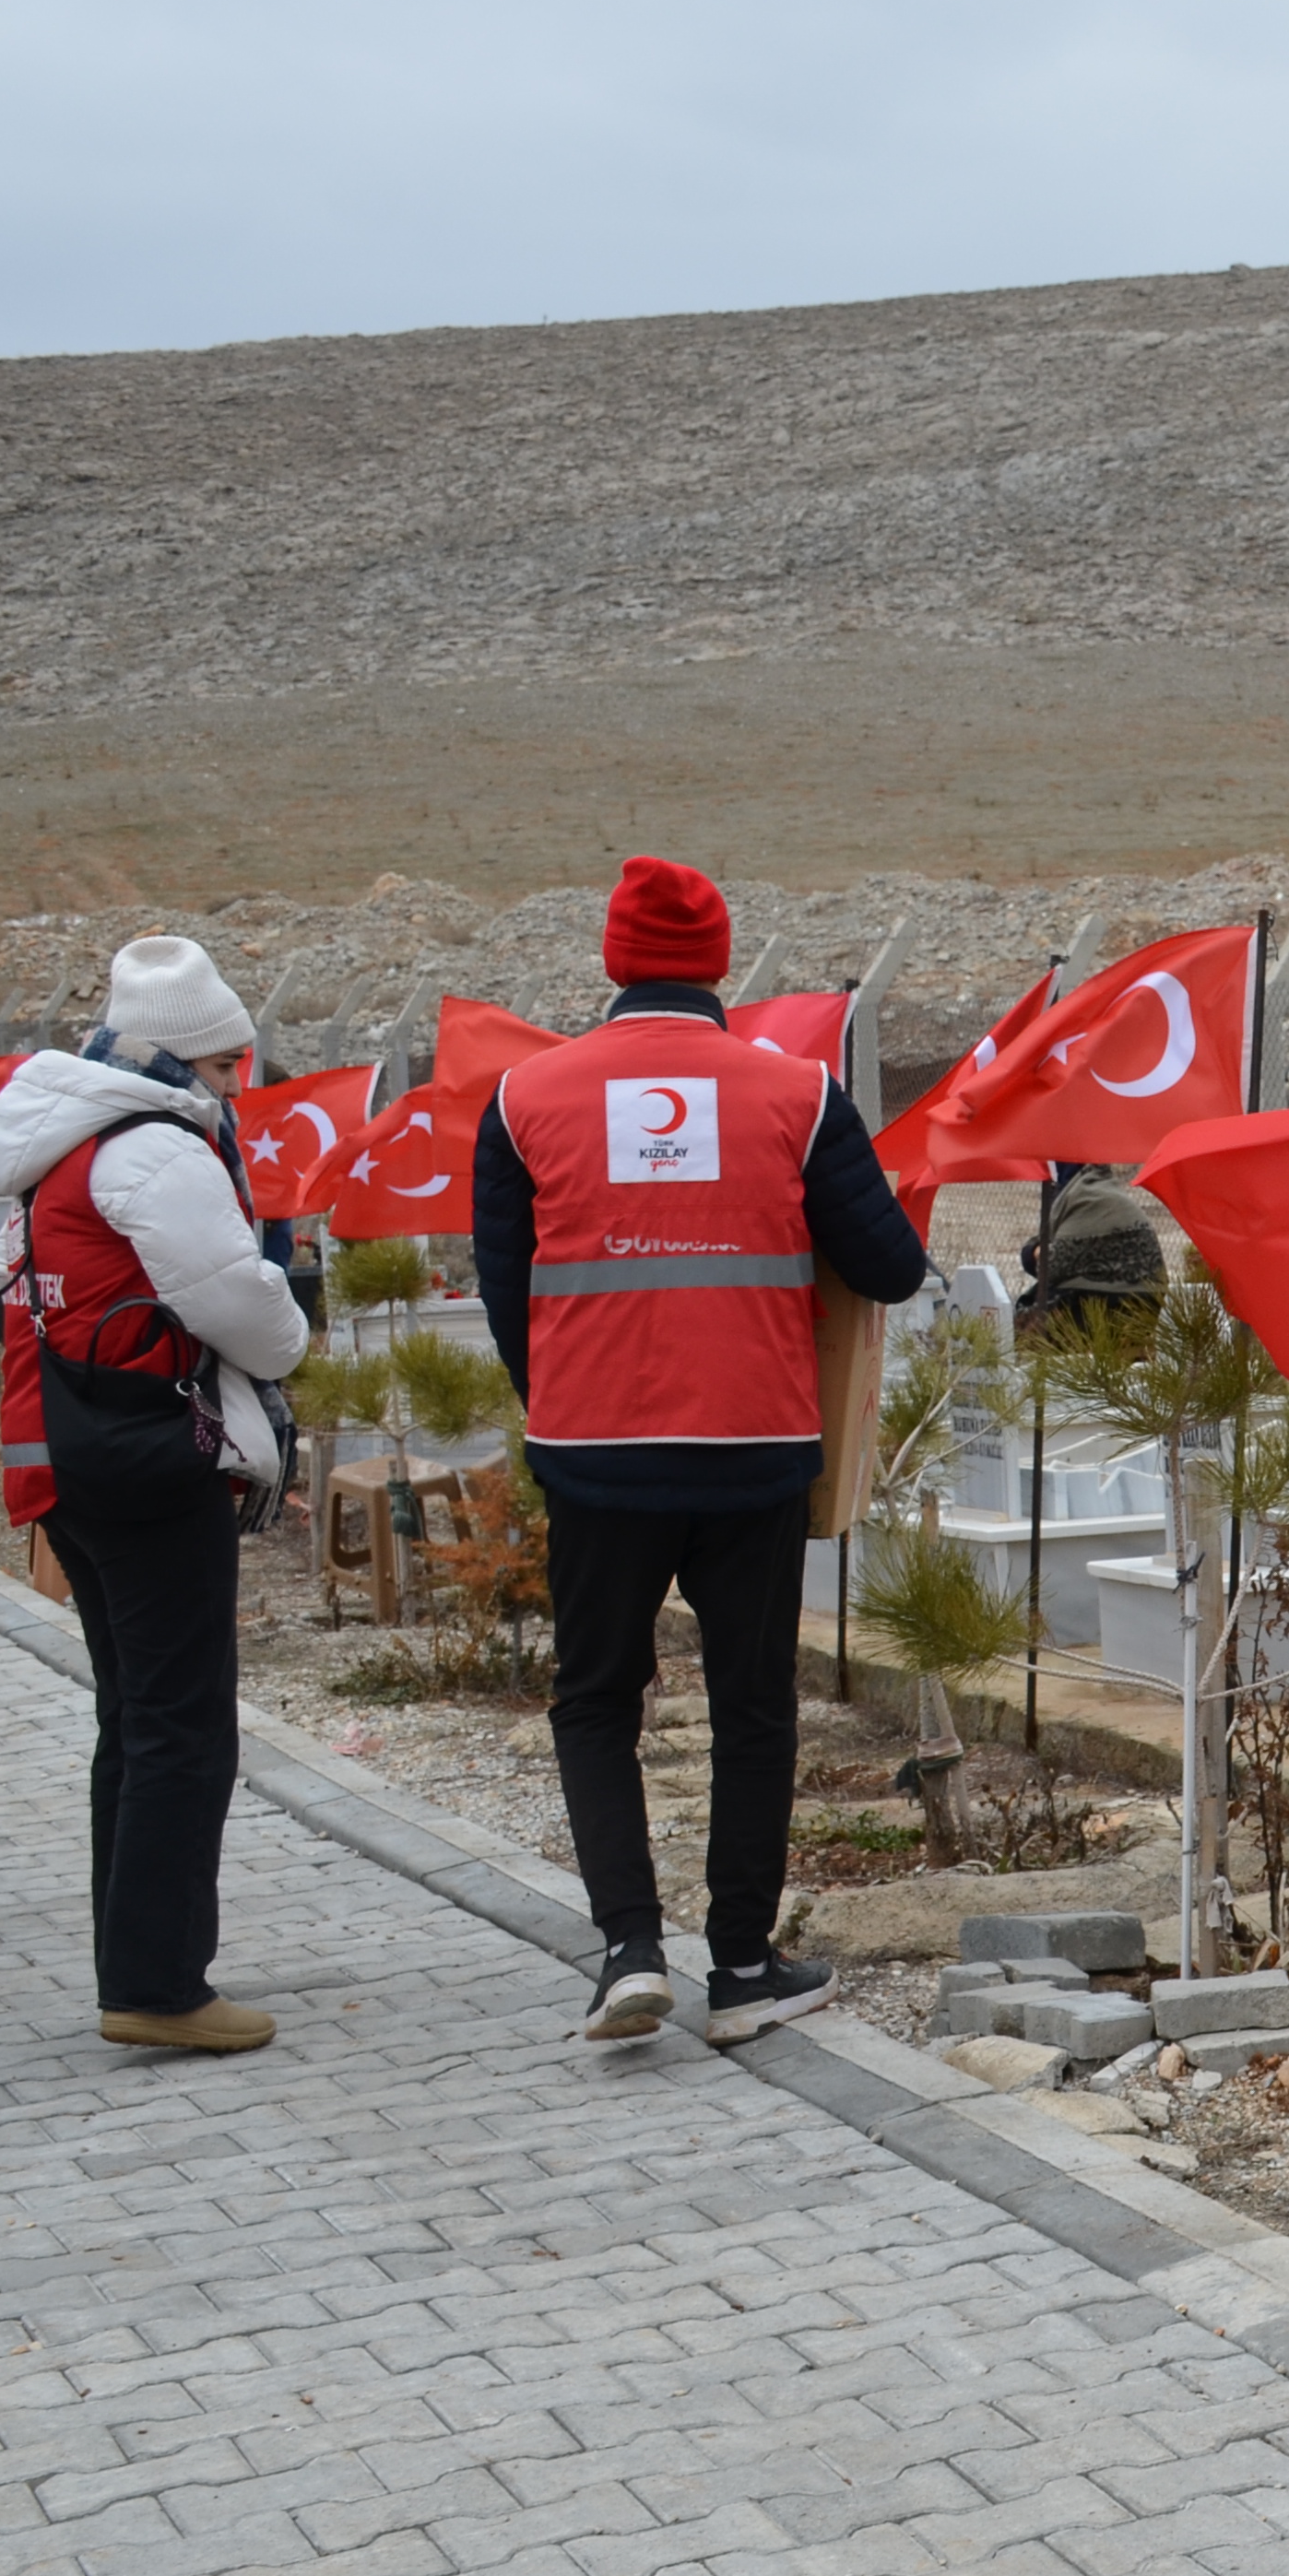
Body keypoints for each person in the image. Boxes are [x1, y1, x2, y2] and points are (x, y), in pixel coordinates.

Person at [476, 857, 930, 2044]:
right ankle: (739, 1968)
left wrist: (567, 1399)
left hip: (593, 1451)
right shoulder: (797, 1092)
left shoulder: (525, 1098)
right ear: (719, 963)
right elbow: (887, 1266)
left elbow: (504, 1290)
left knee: (594, 1702)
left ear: (613, 961)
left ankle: (628, 1946)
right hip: (754, 1446)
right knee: (751, 1706)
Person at [0, 939, 311, 2051]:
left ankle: (133, 1956)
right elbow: (240, 1306)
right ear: (192, 1059)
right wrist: (293, 1333)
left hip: (66, 1453)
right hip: (149, 1456)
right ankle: (162, 1986)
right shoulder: (154, 1150)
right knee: (182, 1726)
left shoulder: (54, 1147)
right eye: (230, 1068)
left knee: (130, 1719)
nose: (237, 1090)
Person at [1016, 1160, 1168, 1342]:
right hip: (1137, 1309)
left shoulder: (1088, 1197)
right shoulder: (1104, 1191)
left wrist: (1033, 1252)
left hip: (1109, 1310)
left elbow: (1050, 1266)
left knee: (1022, 1333)